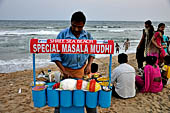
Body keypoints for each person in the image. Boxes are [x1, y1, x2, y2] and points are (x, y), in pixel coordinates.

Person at [51, 11, 96, 113]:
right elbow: (55, 56)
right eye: (74, 26)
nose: (76, 29)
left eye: (79, 27)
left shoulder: (88, 36)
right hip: (66, 72)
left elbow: (92, 53)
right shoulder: (62, 35)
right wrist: (63, 71)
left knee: (88, 101)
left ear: (84, 25)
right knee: (62, 101)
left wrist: (89, 65)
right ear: (71, 22)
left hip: (82, 72)